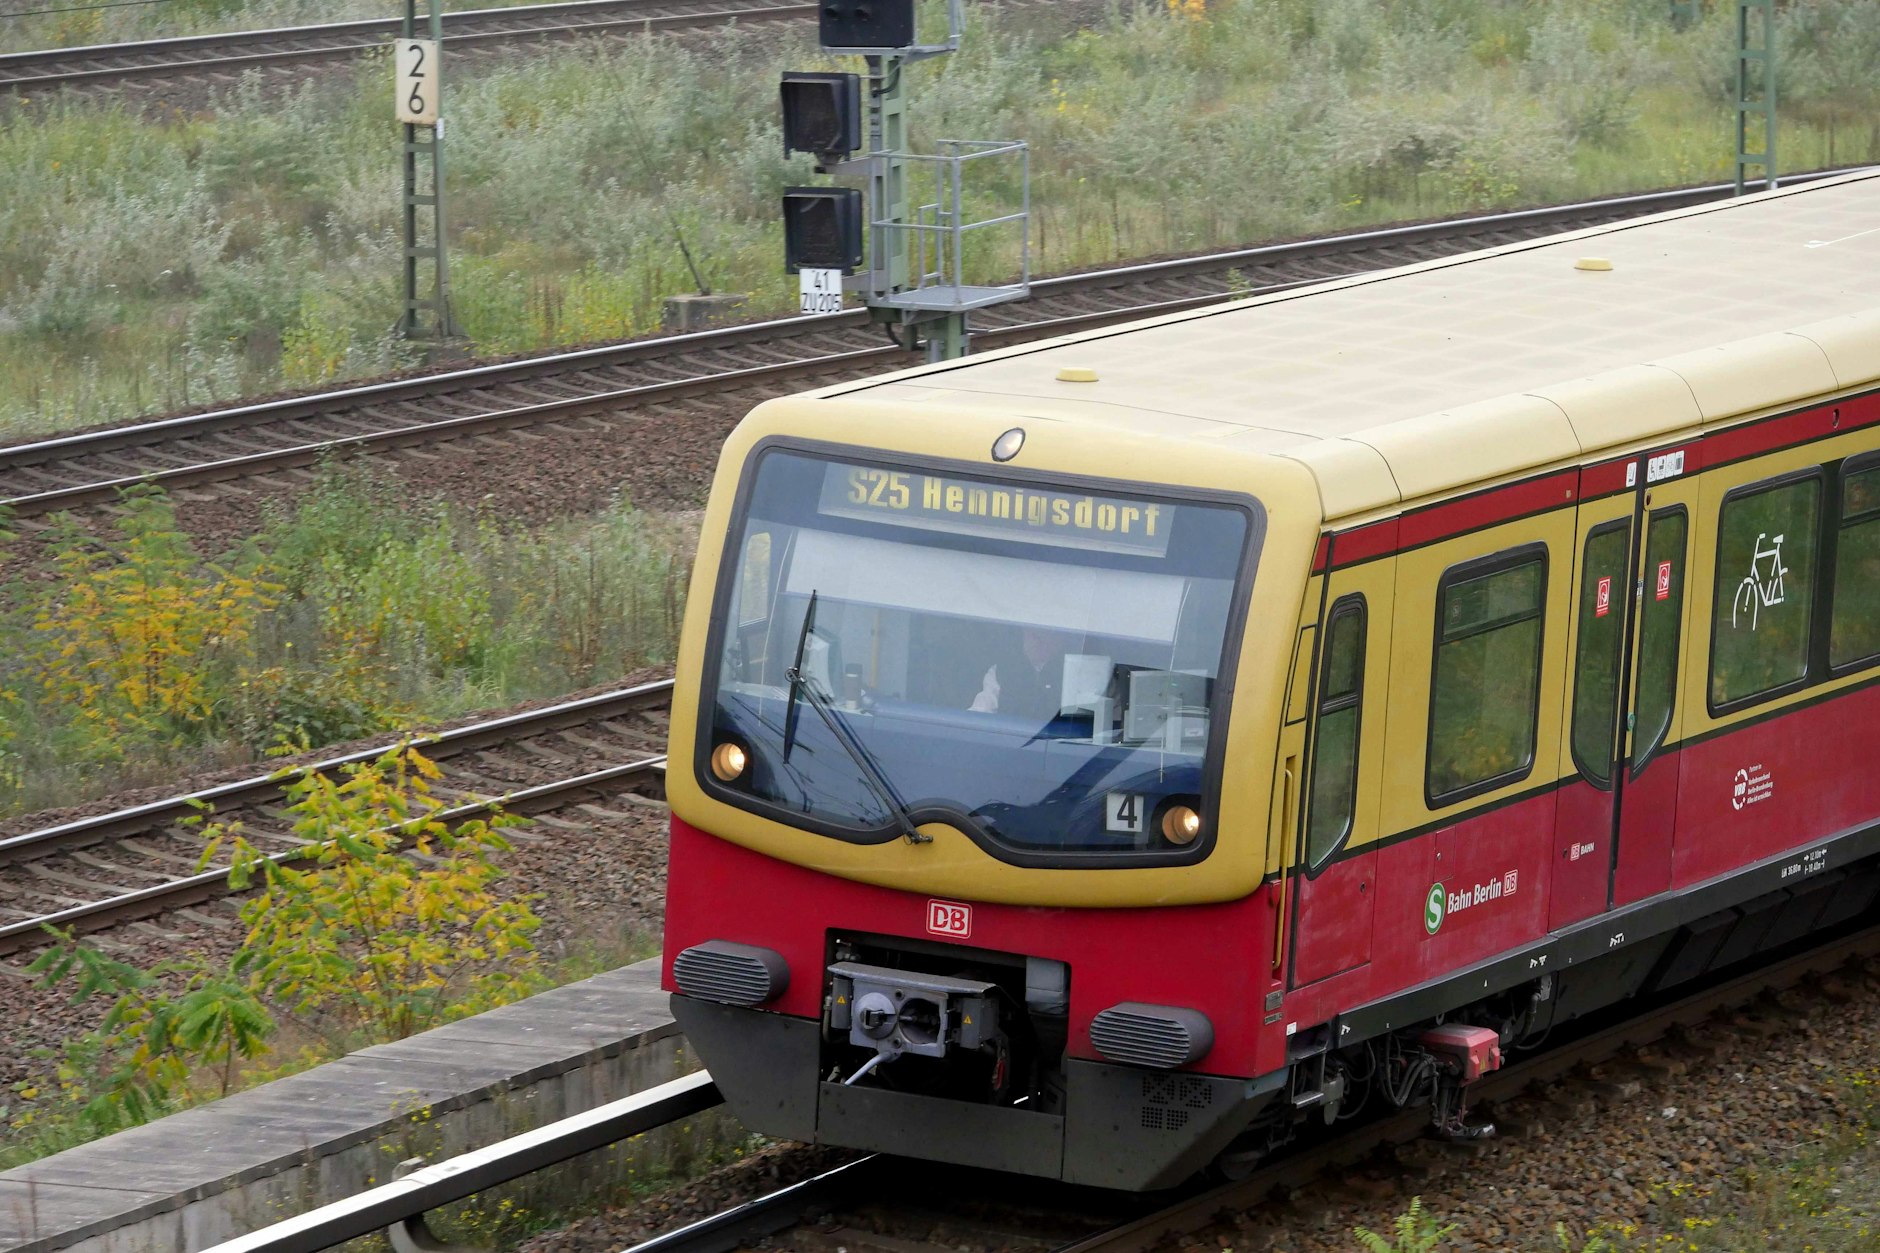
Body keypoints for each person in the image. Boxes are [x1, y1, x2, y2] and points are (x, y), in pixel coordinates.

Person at [970, 626, 1075, 721]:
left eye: (1049, 636)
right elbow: (981, 710)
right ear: (1024, 635)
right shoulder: (1002, 671)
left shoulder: (1074, 673)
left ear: (1061, 640)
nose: (1039, 642)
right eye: (1034, 636)